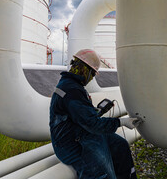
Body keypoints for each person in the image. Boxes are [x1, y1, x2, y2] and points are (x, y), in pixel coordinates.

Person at [50, 49, 142, 179]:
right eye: (92, 74)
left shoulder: (73, 86)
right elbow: (92, 124)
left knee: (120, 145)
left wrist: (96, 111)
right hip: (71, 144)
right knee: (101, 172)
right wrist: (122, 122)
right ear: (85, 69)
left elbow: (81, 115)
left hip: (81, 133)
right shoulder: (71, 90)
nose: (92, 78)